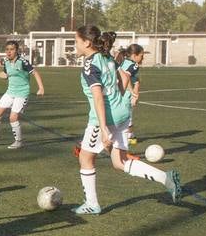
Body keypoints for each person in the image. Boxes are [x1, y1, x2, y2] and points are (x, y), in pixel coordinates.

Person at [73, 26, 181, 215]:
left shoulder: (90, 65)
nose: (75, 45)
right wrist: (119, 99)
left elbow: (98, 98)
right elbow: (121, 80)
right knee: (119, 161)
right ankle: (166, 178)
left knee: (85, 157)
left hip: (104, 118)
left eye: (76, 41)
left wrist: (104, 128)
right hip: (122, 112)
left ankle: (91, 203)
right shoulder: (107, 58)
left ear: (87, 43)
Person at [0, 40, 44, 150]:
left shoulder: (23, 62)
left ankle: (19, 141)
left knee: (13, 117)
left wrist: (41, 88)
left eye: (12, 49)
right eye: (7, 49)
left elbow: (35, 73)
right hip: (10, 92)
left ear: (16, 50)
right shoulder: (6, 61)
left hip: (22, 94)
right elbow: (6, 75)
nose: (9, 52)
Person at [119, 43, 145, 153]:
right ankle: (127, 139)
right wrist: (132, 92)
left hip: (118, 93)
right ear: (134, 56)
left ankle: (130, 136)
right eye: (141, 55)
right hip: (124, 95)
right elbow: (127, 76)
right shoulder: (134, 65)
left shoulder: (125, 61)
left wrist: (136, 87)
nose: (143, 58)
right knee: (126, 116)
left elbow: (132, 78)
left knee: (126, 116)